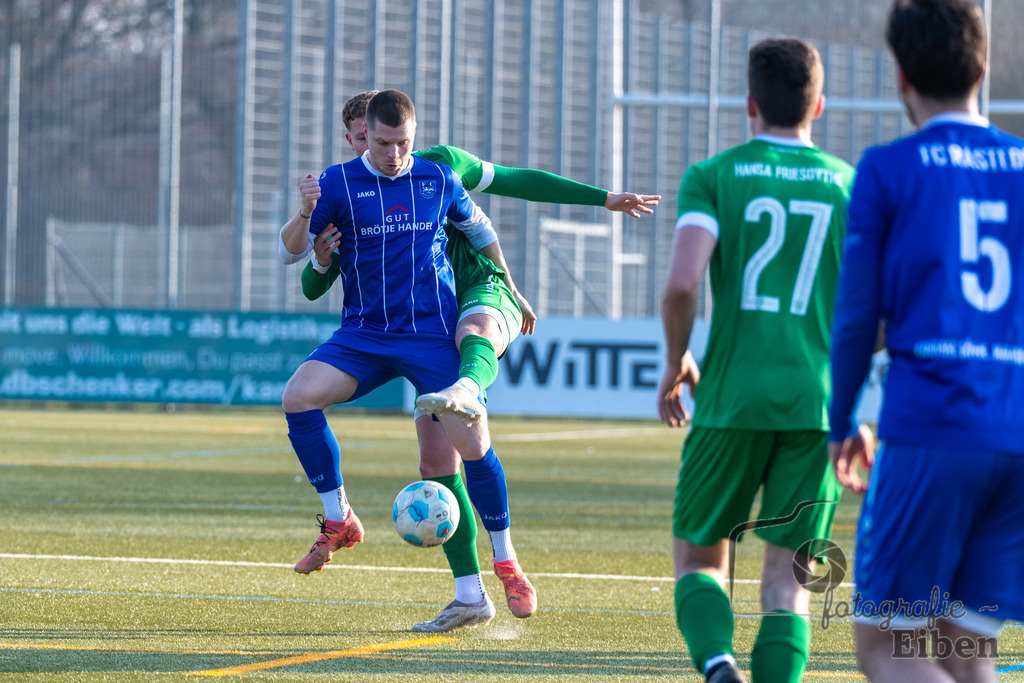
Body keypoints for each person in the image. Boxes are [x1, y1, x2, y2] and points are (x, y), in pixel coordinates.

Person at [277, 89, 535, 633]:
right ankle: (339, 518)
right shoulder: (337, 183)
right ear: (364, 136)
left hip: (431, 337)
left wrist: (511, 289)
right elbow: (290, 252)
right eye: (383, 143)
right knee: (298, 396)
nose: (395, 154)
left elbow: (481, 232)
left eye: (404, 143)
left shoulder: (438, 178)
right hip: (365, 335)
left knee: (465, 451)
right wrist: (305, 213)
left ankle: (503, 565)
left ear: (414, 135)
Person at [658, 39, 871, 683]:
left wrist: (677, 360)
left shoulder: (714, 175)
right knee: (788, 586)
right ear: (819, 105)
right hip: (816, 407)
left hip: (730, 399)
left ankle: (718, 663)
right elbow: (879, 315)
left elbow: (682, 286)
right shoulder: (850, 186)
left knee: (700, 561)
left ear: (749, 103)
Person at [830, 1, 1024, 680]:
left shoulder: (889, 169)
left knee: (884, 644)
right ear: (982, 69)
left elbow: (856, 318)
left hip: (932, 427)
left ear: (902, 77)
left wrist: (840, 420)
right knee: (962, 644)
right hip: (1015, 430)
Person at [297, 90, 661, 423]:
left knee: (472, 335)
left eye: (397, 139)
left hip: (477, 283)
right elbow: (313, 287)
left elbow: (516, 180)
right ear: (353, 140)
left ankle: (467, 390)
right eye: (364, 140)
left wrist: (603, 198)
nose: (383, 150)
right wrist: (320, 262)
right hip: (424, 319)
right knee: (436, 462)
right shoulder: (349, 198)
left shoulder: (442, 166)